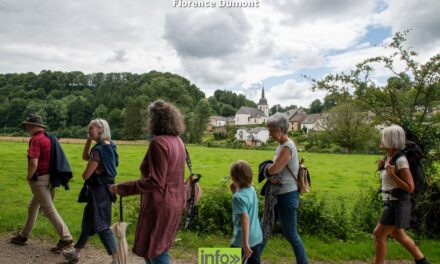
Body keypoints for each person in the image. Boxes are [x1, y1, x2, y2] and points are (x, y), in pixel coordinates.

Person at [109, 100, 186, 264]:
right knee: (155, 248)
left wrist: (122, 188)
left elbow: (155, 181)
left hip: (160, 205)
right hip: (175, 202)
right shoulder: (178, 141)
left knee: (156, 250)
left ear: (155, 120)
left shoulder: (158, 143)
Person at [10, 114, 74, 252]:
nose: (26, 128)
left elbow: (33, 162)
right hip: (50, 178)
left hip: (39, 180)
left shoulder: (35, 140)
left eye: (27, 125)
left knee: (49, 209)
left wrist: (29, 176)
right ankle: (23, 235)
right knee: (32, 207)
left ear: (33, 126)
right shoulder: (48, 138)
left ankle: (66, 238)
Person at [62, 119, 119, 264]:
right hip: (106, 190)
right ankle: (75, 254)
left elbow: (86, 175)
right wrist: (88, 140)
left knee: (102, 225)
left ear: (101, 129)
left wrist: (87, 173)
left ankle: (117, 259)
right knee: (88, 222)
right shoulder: (111, 145)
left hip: (98, 192)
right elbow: (85, 157)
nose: (89, 131)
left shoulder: (99, 150)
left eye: (91, 129)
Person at [373, 125, 430, 264]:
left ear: (391, 140)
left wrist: (392, 174)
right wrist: (384, 167)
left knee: (378, 235)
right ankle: (422, 261)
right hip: (391, 201)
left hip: (396, 203)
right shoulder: (389, 157)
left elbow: (410, 187)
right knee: (399, 235)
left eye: (384, 137)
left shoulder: (401, 160)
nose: (381, 139)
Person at [261, 113, 308, 264]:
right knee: (264, 228)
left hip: (287, 196)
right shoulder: (282, 145)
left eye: (271, 130)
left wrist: (265, 169)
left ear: (281, 129)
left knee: (290, 234)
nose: (269, 133)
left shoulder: (287, 146)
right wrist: (269, 169)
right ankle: (251, 258)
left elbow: (274, 170)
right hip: (280, 194)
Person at [229, 160, 263, 264]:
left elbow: (245, 219)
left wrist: (245, 244)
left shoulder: (237, 198)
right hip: (257, 237)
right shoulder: (251, 189)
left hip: (242, 240)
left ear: (234, 177)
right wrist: (235, 191)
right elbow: (246, 203)